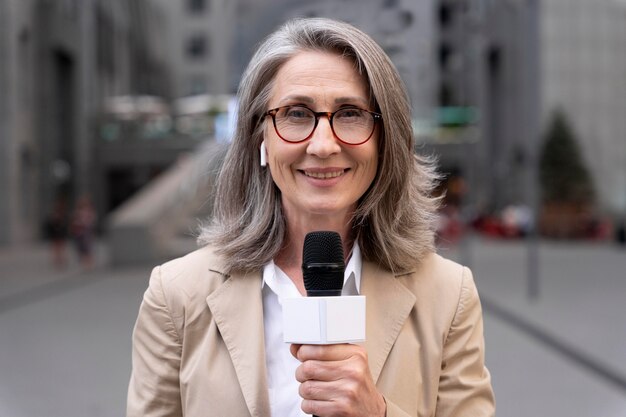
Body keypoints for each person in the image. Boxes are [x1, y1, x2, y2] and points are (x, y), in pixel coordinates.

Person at [127, 18, 495, 417]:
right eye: (297, 113)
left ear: (384, 141)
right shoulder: (176, 296)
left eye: (351, 113)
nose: (323, 145)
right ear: (260, 139)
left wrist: (378, 413)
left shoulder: (447, 295)